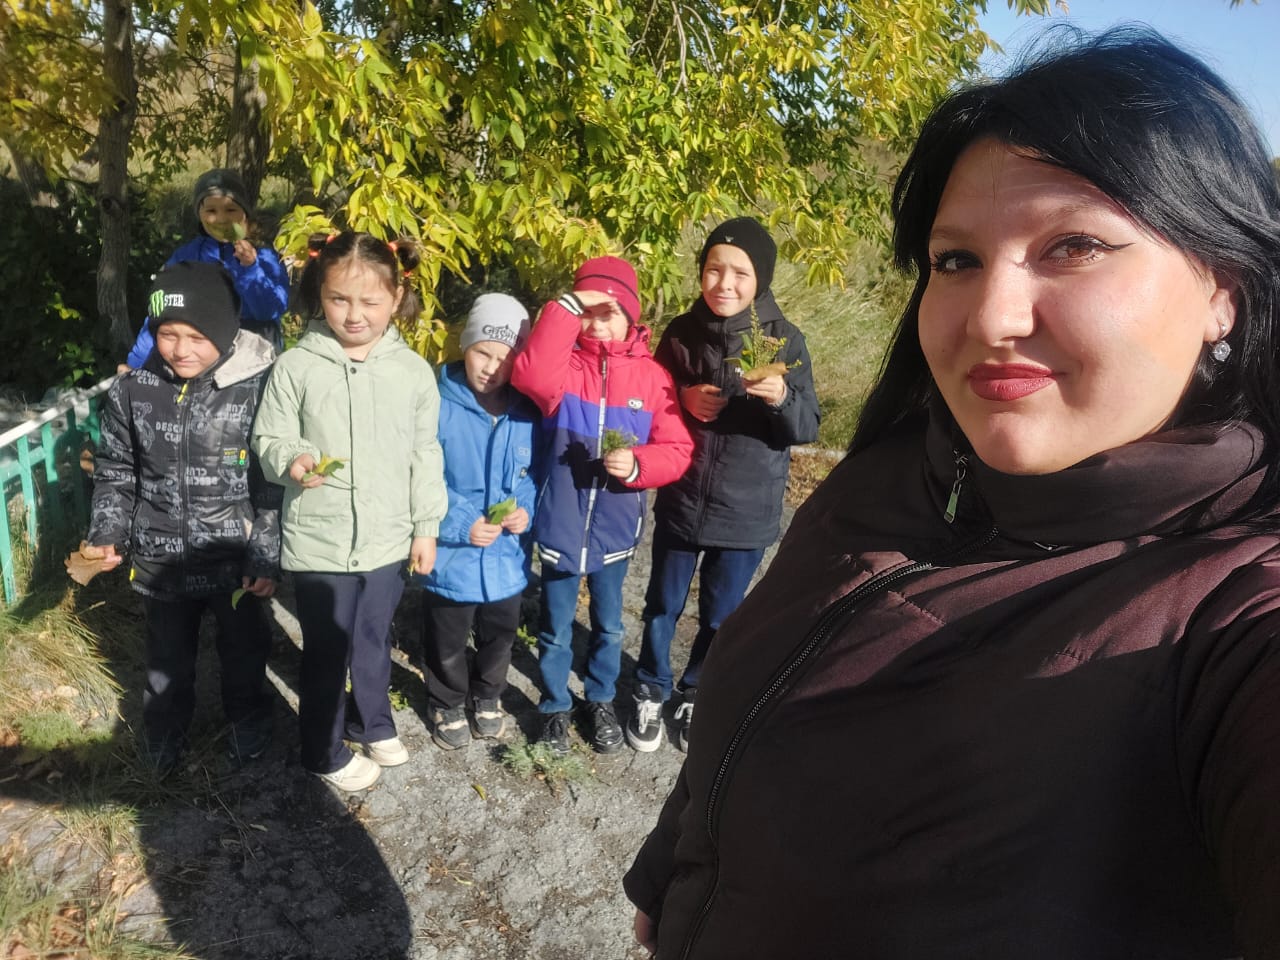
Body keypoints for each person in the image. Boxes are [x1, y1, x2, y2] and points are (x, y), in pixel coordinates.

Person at [625, 28, 1280, 958]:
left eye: (1075, 246)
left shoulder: (1234, 617)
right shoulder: (897, 468)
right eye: (956, 260)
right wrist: (674, 861)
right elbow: (755, 692)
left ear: (1226, 288)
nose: (991, 318)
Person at [252, 231, 446, 792]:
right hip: (321, 541)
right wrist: (292, 458)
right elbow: (269, 436)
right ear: (320, 293)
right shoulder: (296, 366)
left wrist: (425, 526)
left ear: (396, 297)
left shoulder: (412, 372)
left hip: (387, 536)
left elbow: (424, 452)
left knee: (373, 637)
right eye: (339, 299)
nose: (354, 315)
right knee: (327, 650)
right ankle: (324, 749)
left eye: (369, 301)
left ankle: (372, 721)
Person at [77, 261, 280, 775]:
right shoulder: (133, 390)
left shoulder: (256, 389)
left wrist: (264, 555)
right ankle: (164, 734)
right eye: (168, 334)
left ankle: (249, 719)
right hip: (159, 557)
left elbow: (270, 482)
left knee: (245, 649)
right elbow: (117, 468)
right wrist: (107, 531)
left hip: (234, 558)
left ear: (225, 332)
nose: (181, 349)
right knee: (166, 660)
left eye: (197, 336)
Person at [626, 217, 820, 753]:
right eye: (714, 269)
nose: (724, 284)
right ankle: (650, 686)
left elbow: (807, 425)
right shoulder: (681, 333)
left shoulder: (785, 340)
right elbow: (645, 403)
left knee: (721, 615)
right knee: (662, 604)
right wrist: (681, 399)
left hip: (745, 510)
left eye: (740, 273)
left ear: (762, 279)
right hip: (682, 497)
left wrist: (780, 397)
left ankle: (697, 691)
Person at [510, 256, 693, 755]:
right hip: (561, 522)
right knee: (554, 628)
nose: (595, 323)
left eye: (607, 312)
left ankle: (600, 698)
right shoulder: (563, 369)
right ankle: (553, 705)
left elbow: (677, 448)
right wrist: (567, 307)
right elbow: (530, 377)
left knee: (609, 626)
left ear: (630, 316)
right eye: (586, 312)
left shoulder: (652, 378)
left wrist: (637, 465)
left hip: (614, 528)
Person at [417, 292, 539, 750]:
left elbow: (533, 475)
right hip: (452, 557)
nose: (491, 368)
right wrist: (461, 521)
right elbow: (422, 477)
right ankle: (447, 699)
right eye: (482, 353)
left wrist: (525, 510)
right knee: (446, 636)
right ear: (465, 345)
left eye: (505, 359)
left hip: (506, 558)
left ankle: (488, 695)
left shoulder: (525, 411)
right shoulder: (435, 402)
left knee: (500, 634)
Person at [125, 168, 290, 367]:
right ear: (200, 215)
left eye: (230, 210)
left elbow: (269, 311)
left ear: (245, 213)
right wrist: (137, 365)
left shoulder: (265, 256)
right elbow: (162, 311)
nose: (221, 219)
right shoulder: (186, 257)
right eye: (211, 211)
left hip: (254, 357)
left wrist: (250, 268)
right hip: (201, 359)